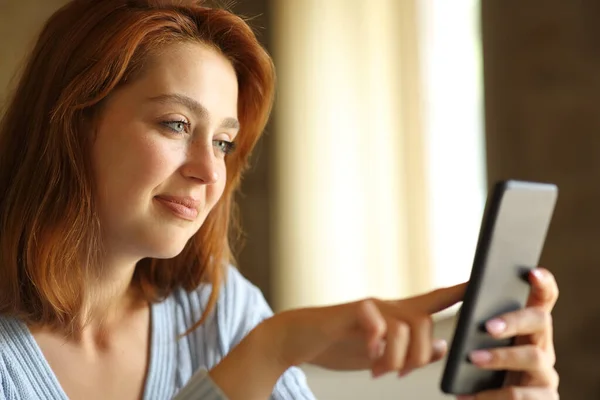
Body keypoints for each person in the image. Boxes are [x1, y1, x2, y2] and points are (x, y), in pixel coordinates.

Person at [0, 0, 560, 399]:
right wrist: (272, 350)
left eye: (223, 142)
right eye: (175, 124)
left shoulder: (219, 311)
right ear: (71, 125)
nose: (206, 171)